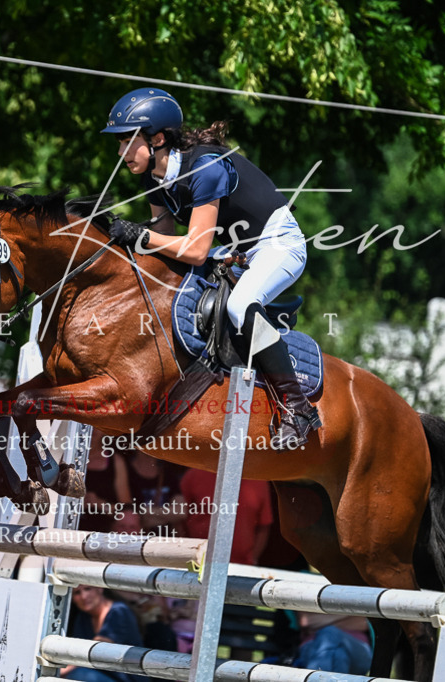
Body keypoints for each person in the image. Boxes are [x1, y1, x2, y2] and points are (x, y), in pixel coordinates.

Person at [100, 87, 320, 450]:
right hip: (234, 251)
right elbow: (163, 244)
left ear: (157, 138)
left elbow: (196, 249)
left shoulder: (205, 167)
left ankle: (298, 409)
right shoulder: (154, 179)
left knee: (239, 306)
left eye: (126, 140)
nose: (120, 151)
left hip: (278, 245)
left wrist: (139, 235)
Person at [178, 468, 274, 566]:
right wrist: (186, 558)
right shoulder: (194, 475)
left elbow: (264, 525)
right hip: (198, 563)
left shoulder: (259, 481)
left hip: (242, 566)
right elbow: (179, 520)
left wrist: (252, 559)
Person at [62, 585, 149, 682]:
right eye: (77, 593)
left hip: (128, 680)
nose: (84, 596)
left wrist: (65, 669)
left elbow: (99, 647)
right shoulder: (83, 618)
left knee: (81, 675)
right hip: (101, 675)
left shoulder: (119, 611)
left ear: (100, 588)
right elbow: (76, 651)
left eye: (88, 589)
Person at [292, 613, 372, 674]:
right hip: (312, 647)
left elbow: (367, 621)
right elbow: (308, 622)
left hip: (359, 651)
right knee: (338, 654)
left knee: (329, 633)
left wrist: (322, 619)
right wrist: (352, 613)